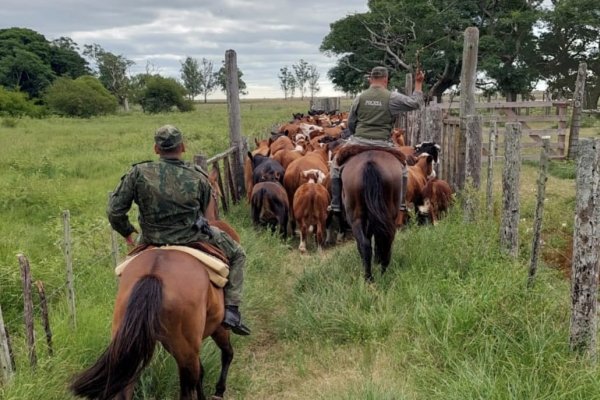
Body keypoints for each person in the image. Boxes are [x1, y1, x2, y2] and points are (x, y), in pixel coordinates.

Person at [107, 125, 251, 336]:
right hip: (191, 236)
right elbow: (204, 213)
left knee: (127, 272)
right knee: (238, 254)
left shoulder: (138, 173)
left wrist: (128, 232)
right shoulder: (198, 175)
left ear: (156, 149)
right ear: (182, 146)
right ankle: (231, 310)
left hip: (149, 237)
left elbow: (114, 211)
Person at [328, 66, 425, 212]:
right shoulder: (392, 97)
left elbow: (351, 123)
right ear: (386, 79)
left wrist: (357, 136)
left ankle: (335, 204)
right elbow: (415, 103)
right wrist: (418, 84)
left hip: (359, 141)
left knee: (335, 165)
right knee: (403, 168)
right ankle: (401, 204)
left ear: (370, 79)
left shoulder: (359, 97)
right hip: (384, 143)